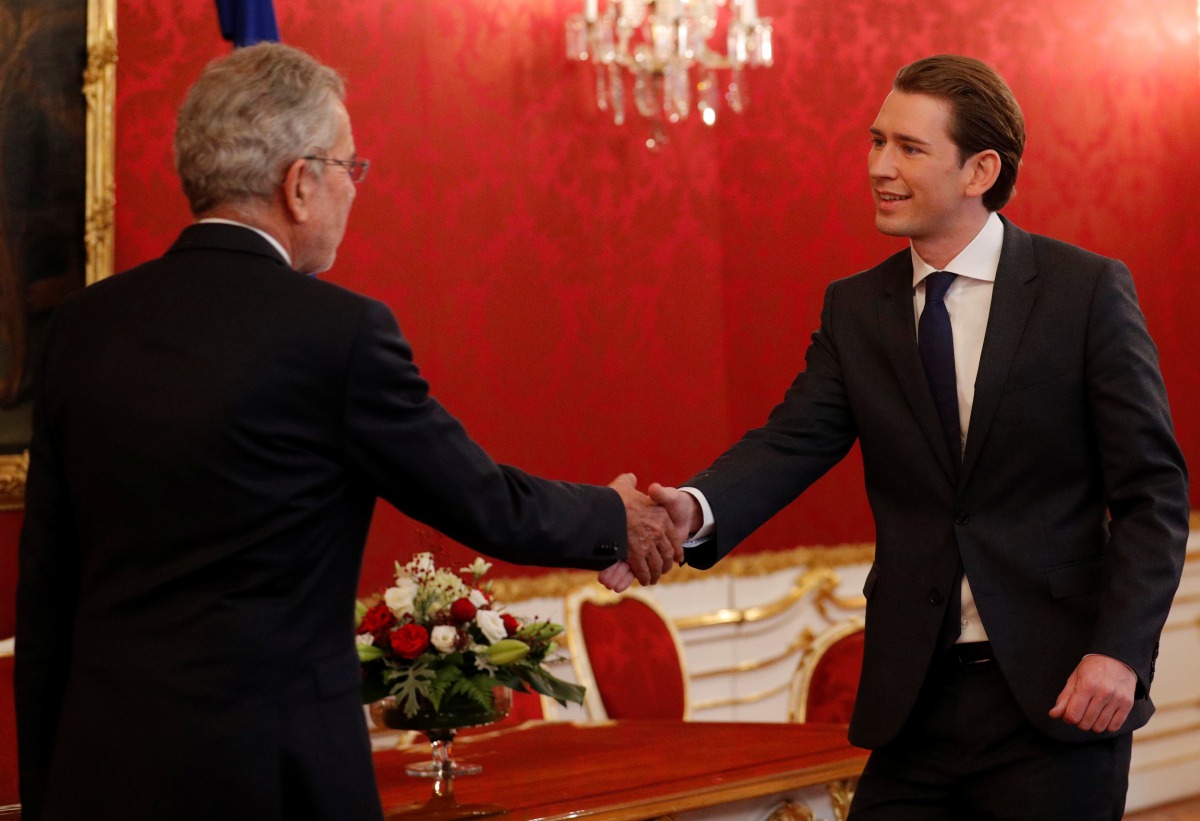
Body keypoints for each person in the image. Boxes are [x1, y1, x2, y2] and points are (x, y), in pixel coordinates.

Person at [14, 42, 680, 821]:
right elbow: (480, 500)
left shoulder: (81, 328)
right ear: (300, 183)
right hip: (272, 774)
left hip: (100, 771)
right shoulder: (338, 334)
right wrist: (616, 517)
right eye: (349, 167)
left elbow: (46, 593)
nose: (352, 190)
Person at [605, 54, 1189, 818]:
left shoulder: (1084, 291)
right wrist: (691, 507)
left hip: (1059, 694)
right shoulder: (857, 308)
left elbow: (1152, 493)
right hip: (912, 698)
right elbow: (791, 440)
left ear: (981, 168)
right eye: (876, 141)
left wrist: (1119, 651)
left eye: (909, 148)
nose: (879, 166)